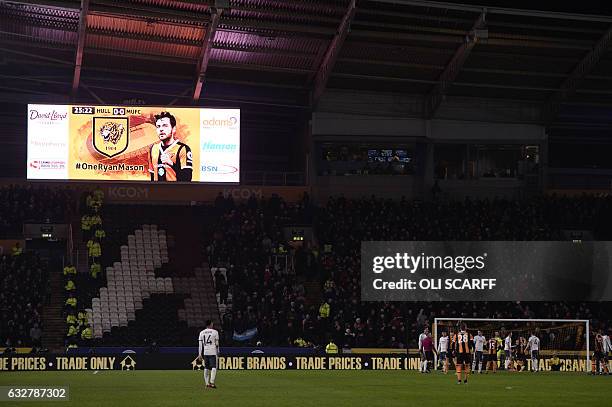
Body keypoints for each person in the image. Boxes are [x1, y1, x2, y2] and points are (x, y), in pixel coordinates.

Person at [147, 111, 192, 182]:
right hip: (156, 192)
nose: (161, 129)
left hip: (175, 192)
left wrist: (172, 164)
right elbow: (152, 176)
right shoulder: (153, 149)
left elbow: (187, 179)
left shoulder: (183, 148)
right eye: (158, 126)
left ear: (173, 129)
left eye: (165, 125)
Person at [197, 320, 219, 389]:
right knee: (214, 367)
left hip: (205, 352)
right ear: (211, 324)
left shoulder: (201, 332)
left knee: (206, 367)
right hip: (213, 351)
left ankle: (207, 383)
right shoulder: (215, 332)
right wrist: (218, 351)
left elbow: (200, 345)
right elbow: (217, 343)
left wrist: (199, 354)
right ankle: (212, 382)